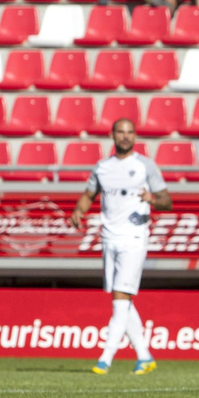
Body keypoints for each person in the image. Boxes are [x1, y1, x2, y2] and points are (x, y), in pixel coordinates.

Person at [71, 119, 170, 375]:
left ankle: (105, 359)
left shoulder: (145, 166)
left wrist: (152, 199)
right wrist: (79, 211)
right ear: (112, 135)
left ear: (135, 136)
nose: (125, 136)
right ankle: (145, 357)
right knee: (123, 299)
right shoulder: (102, 167)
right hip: (109, 238)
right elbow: (89, 195)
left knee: (119, 298)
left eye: (130, 132)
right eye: (121, 132)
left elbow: (167, 200)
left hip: (134, 237)